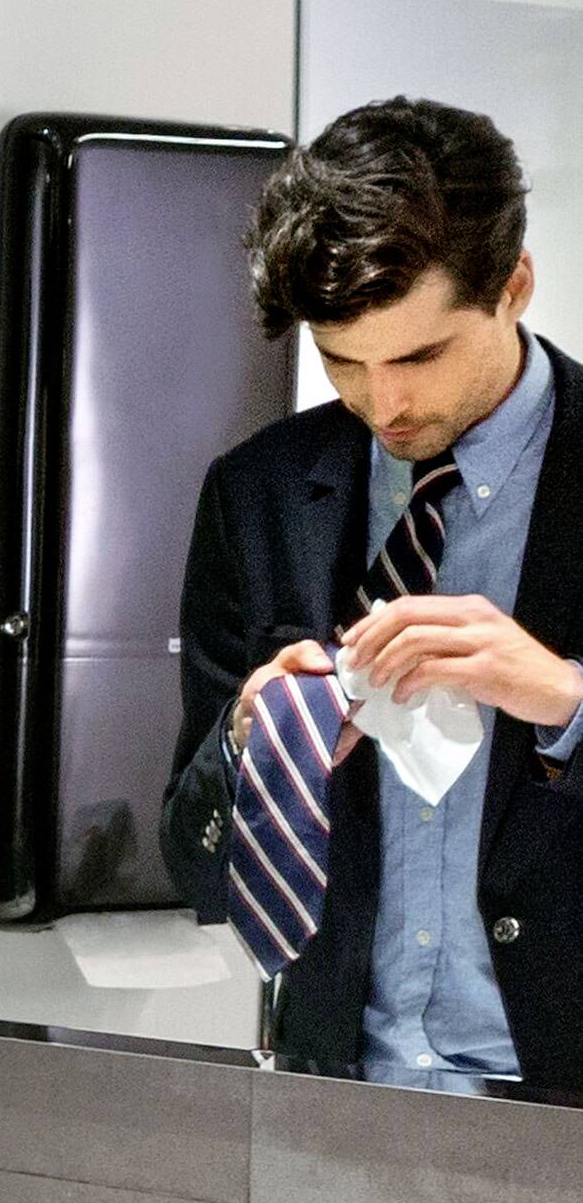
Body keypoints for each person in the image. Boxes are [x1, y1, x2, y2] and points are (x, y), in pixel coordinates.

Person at [162, 97, 583, 1089]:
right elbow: (193, 860)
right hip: (337, 1096)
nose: (382, 404)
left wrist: (566, 701)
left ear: (512, 285)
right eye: (340, 361)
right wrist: (245, 746)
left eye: (419, 355)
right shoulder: (256, 493)